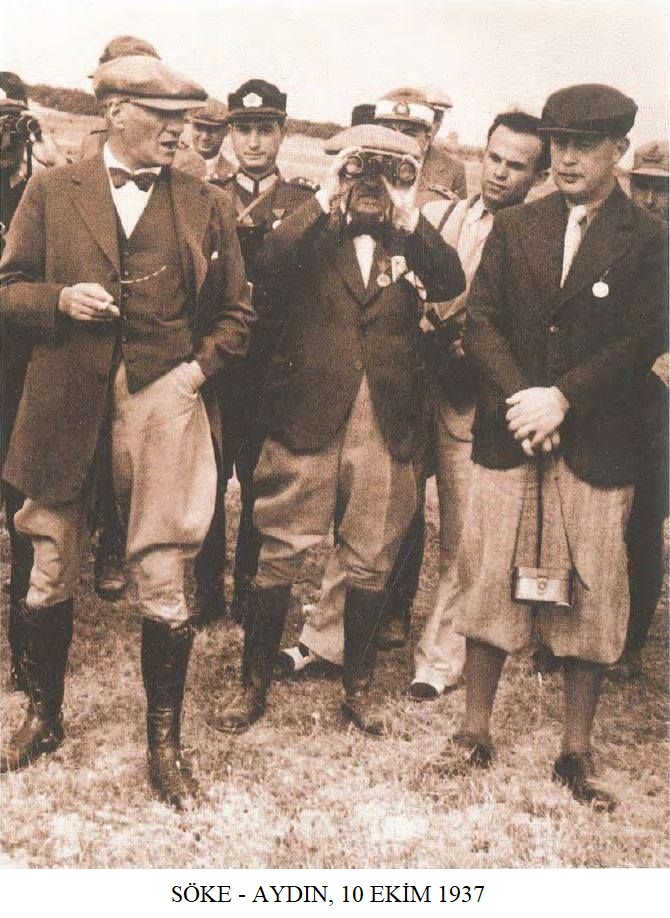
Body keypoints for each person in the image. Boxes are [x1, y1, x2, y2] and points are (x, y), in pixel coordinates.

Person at [0, 55, 254, 810]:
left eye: (184, 119)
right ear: (114, 112)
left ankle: (164, 749)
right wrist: (57, 300)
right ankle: (44, 718)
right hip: (63, 401)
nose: (180, 132)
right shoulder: (52, 191)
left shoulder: (206, 203)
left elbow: (238, 314)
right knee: (48, 560)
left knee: (164, 574)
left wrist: (192, 375)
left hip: (162, 401)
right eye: (162, 117)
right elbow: (8, 288)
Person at [445, 84, 667, 811]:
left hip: (596, 442)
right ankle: (473, 732)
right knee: (489, 576)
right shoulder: (518, 226)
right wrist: (524, 400)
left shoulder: (649, 239)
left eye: (585, 146)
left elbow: (642, 340)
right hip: (512, 434)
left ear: (618, 151)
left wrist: (563, 398)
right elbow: (482, 322)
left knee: (592, 589)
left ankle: (576, 749)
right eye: (560, 144)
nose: (567, 158)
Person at [208, 122, 464, 736]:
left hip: (384, 420)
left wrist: (409, 213)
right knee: (280, 548)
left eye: (388, 173)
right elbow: (266, 265)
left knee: (371, 555)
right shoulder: (310, 227)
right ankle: (252, 685)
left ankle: (358, 689)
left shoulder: (412, 237)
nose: (371, 185)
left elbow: (451, 282)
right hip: (307, 415)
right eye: (359, 171)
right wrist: (326, 193)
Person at [410, 111, 549, 699]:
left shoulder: (537, 239)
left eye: (517, 166)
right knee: (377, 519)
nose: (500, 173)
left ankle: (439, 661)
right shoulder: (442, 215)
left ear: (538, 176)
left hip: (473, 404)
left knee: (462, 538)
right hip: (414, 388)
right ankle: (330, 636)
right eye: (494, 158)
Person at [208, 80, 318, 624]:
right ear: (230, 134)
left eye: (264, 130)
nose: (253, 142)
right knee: (207, 477)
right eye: (243, 130)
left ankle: (250, 588)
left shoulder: (304, 202)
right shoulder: (205, 195)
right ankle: (206, 587)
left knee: (260, 480)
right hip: (217, 362)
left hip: (271, 365)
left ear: (282, 133)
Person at [1, 71, 68, 694]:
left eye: (9, 119)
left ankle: (23, 653)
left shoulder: (42, 187)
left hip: (19, 367)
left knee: (22, 512)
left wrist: (45, 153)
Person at [185, 97, 235, 182]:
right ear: (191, 126)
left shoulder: (233, 174)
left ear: (227, 131)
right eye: (199, 128)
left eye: (213, 129)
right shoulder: (173, 163)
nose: (205, 137)